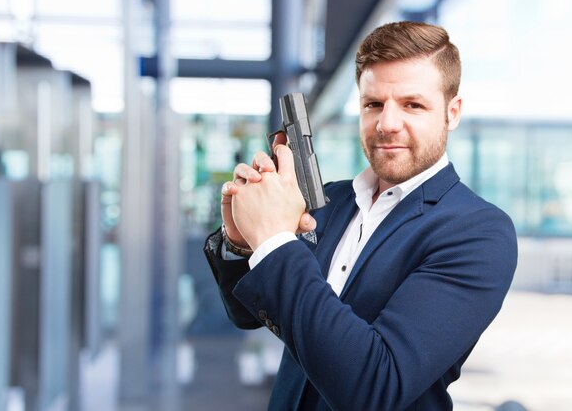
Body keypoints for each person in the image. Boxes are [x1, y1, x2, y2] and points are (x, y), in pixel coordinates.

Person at [203, 20, 517, 411]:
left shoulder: (479, 233)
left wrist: (275, 240)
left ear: (451, 113)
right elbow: (248, 314)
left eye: (412, 105)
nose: (387, 123)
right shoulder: (328, 201)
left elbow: (375, 389)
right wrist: (241, 241)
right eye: (373, 104)